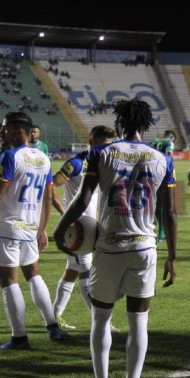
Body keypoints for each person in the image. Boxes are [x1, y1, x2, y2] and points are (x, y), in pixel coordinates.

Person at [53, 98, 177, 378]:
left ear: (119, 124)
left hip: (109, 247)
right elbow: (169, 214)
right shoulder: (163, 159)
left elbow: (83, 200)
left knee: (101, 319)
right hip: (145, 248)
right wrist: (172, 256)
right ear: (146, 127)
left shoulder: (101, 153)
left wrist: (60, 229)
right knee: (139, 322)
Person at [0, 111, 70, 351]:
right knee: (34, 275)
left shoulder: (9, 157)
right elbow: (48, 197)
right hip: (30, 228)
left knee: (8, 280)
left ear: (19, 131)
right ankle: (52, 326)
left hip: (7, 228)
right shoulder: (44, 158)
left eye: (6, 128)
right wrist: (42, 229)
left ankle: (19, 338)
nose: (2, 132)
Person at [51, 125, 120, 333]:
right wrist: (65, 215)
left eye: (109, 145)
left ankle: (54, 317)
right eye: (101, 144)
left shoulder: (101, 163)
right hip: (78, 231)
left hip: (90, 228)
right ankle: (102, 323)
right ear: (91, 143)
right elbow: (52, 184)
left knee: (72, 271)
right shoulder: (77, 163)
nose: (106, 149)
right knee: (86, 273)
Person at [149, 129, 175, 242]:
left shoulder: (154, 141)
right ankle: (161, 233)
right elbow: (169, 155)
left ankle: (154, 229)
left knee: (154, 203)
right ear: (172, 137)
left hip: (151, 173)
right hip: (164, 174)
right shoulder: (169, 143)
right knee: (165, 206)